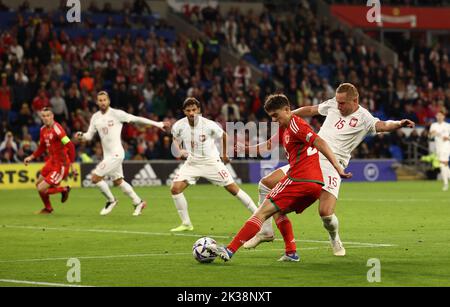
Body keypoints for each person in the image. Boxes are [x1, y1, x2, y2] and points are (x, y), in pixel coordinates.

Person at [244, 83, 415, 256]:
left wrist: (399, 123)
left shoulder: (365, 118)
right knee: (266, 184)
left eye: (342, 103)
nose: (338, 105)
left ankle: (334, 238)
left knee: (325, 213)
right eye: (337, 101)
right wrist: (288, 114)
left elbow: (384, 125)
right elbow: (311, 110)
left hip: (334, 164)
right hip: (310, 157)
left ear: (355, 100)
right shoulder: (333, 104)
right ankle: (266, 231)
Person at [207, 94, 351, 262]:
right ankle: (291, 253)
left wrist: (337, 166)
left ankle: (229, 250)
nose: (274, 120)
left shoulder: (297, 124)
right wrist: (243, 149)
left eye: (276, 115)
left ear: (287, 110)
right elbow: (268, 146)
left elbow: (320, 142)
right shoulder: (285, 126)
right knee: (278, 211)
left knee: (261, 212)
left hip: (300, 179)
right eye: (271, 117)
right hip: (313, 185)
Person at [169, 97, 258, 232]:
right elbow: (175, 138)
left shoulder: (209, 124)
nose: (192, 113)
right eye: (188, 110)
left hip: (211, 162)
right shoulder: (179, 125)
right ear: (184, 112)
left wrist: (223, 154)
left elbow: (224, 136)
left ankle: (258, 215)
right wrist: (179, 148)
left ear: (199, 110)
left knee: (233, 189)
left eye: (194, 110)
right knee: (175, 189)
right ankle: (186, 223)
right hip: (192, 163)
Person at [76, 91, 169, 216]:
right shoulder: (95, 117)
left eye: (104, 100)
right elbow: (88, 136)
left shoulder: (117, 114)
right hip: (108, 155)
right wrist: (81, 136)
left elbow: (137, 119)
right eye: (100, 100)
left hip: (116, 154)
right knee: (118, 181)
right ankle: (138, 202)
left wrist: (157, 124)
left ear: (108, 101)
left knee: (95, 178)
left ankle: (111, 200)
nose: (103, 102)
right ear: (97, 102)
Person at [24, 108, 76, 214]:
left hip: (61, 164)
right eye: (43, 116)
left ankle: (64, 189)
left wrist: (72, 164)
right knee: (38, 184)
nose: (46, 118)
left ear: (52, 116)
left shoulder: (58, 130)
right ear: (41, 117)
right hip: (51, 162)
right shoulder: (43, 129)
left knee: (41, 188)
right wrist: (31, 157)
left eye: (48, 115)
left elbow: (70, 145)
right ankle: (48, 208)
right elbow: (42, 147)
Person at [429, 110, 450, 191]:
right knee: (444, 165)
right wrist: (432, 133)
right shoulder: (433, 125)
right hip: (438, 147)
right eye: (438, 115)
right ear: (436, 116)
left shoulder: (448, 125)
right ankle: (446, 182)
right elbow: (430, 137)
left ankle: (445, 184)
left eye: (441, 115)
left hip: (446, 146)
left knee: (443, 163)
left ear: (444, 116)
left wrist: (448, 138)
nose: (439, 117)